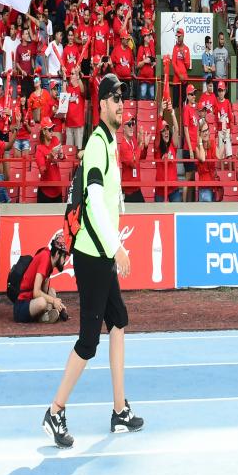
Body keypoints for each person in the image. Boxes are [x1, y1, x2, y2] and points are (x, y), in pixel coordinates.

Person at [42, 73, 143, 448]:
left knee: (118, 321)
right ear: (100, 104)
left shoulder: (107, 142)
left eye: (123, 100)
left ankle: (119, 410)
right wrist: (117, 245)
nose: (121, 105)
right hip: (93, 253)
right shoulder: (99, 143)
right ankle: (55, 411)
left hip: (99, 252)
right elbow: (96, 201)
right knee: (88, 341)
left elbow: (107, 199)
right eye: (114, 99)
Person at [14, 231, 68, 325]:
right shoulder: (45, 258)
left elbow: (44, 290)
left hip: (31, 302)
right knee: (42, 302)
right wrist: (53, 301)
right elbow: (36, 292)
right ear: (57, 254)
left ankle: (46, 314)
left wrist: (58, 305)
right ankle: (42, 317)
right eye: (64, 256)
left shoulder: (50, 264)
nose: (65, 261)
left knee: (51, 291)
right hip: (21, 306)